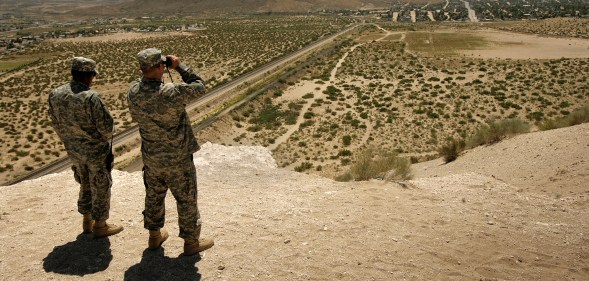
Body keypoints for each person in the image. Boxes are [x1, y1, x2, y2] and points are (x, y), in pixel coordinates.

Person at [127, 48, 214, 255]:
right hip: (178, 158)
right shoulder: (171, 92)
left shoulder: (133, 91)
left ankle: (154, 236)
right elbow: (199, 86)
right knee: (186, 198)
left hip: (151, 157)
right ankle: (191, 242)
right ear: (160, 67)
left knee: (154, 196)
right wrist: (179, 66)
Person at [48, 57, 124, 238]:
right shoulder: (90, 97)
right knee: (100, 186)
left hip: (73, 150)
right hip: (95, 152)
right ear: (89, 76)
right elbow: (107, 129)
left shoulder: (55, 94)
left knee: (84, 183)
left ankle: (86, 220)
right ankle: (100, 225)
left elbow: (56, 123)